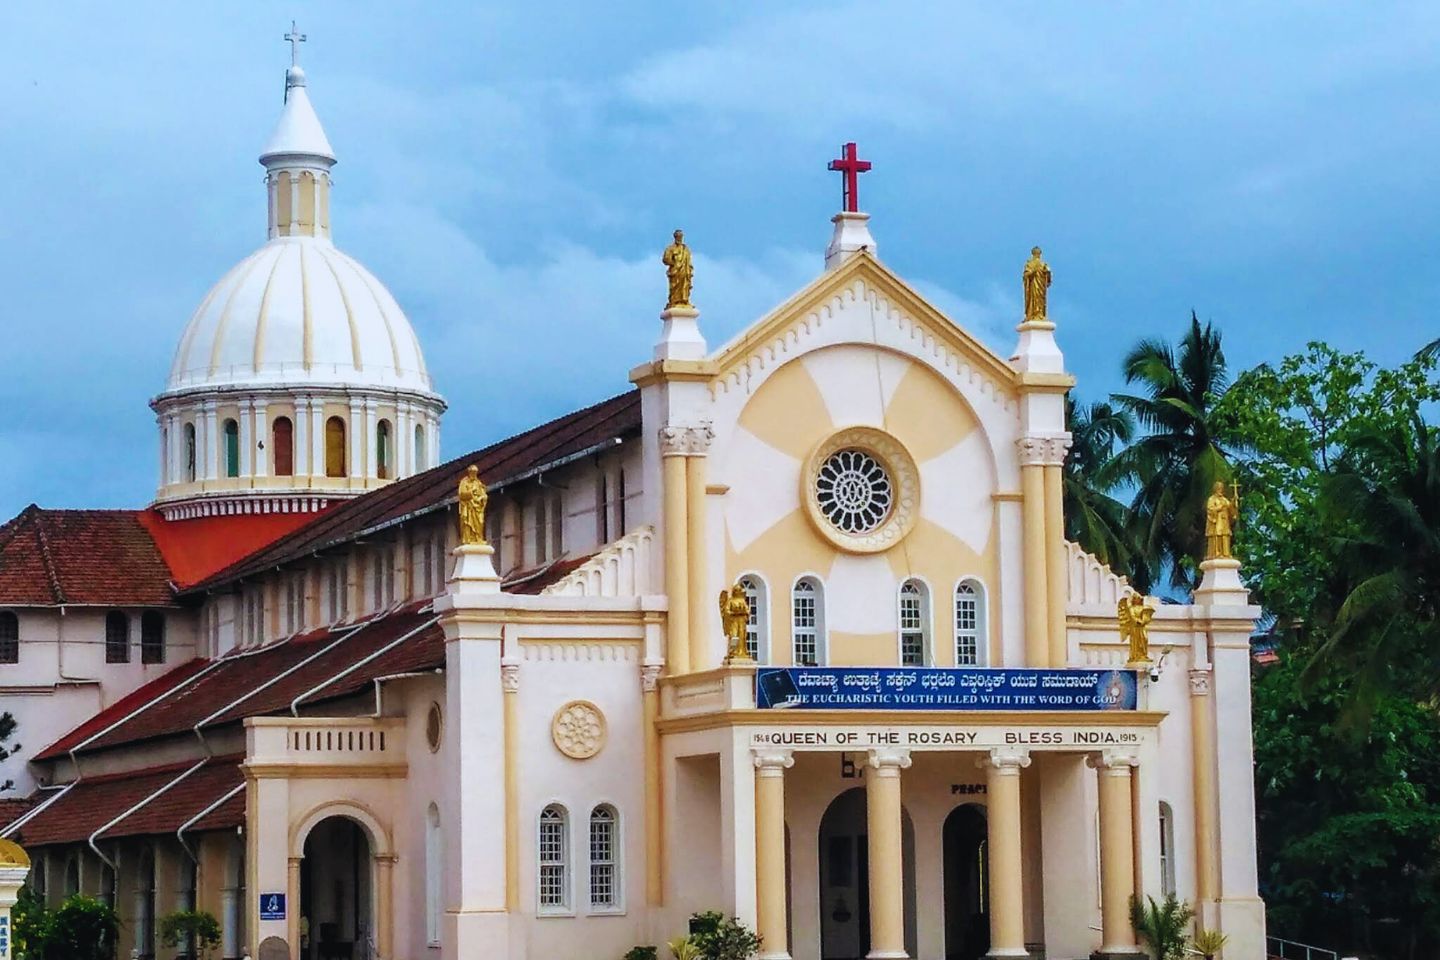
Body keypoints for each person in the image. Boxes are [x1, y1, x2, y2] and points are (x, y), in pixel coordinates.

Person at [662, 229, 693, 309]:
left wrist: (689, 269)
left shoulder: (686, 249)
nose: (679, 238)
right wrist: (674, 263)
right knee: (675, 286)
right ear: (675, 237)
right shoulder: (670, 248)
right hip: (675, 272)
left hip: (685, 271)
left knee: (685, 285)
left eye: (681, 236)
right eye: (678, 236)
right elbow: (665, 259)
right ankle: (674, 301)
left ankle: (684, 300)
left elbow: (689, 261)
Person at [458, 465, 488, 546]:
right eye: (472, 473)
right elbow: (461, 495)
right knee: (468, 523)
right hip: (469, 507)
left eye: (475, 473)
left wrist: (483, 498)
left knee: (480, 522)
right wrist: (471, 493)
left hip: (478, 507)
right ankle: (468, 538)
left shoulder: (478, 483)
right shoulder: (464, 482)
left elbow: (483, 494)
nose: (474, 475)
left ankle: (478, 538)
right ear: (469, 473)